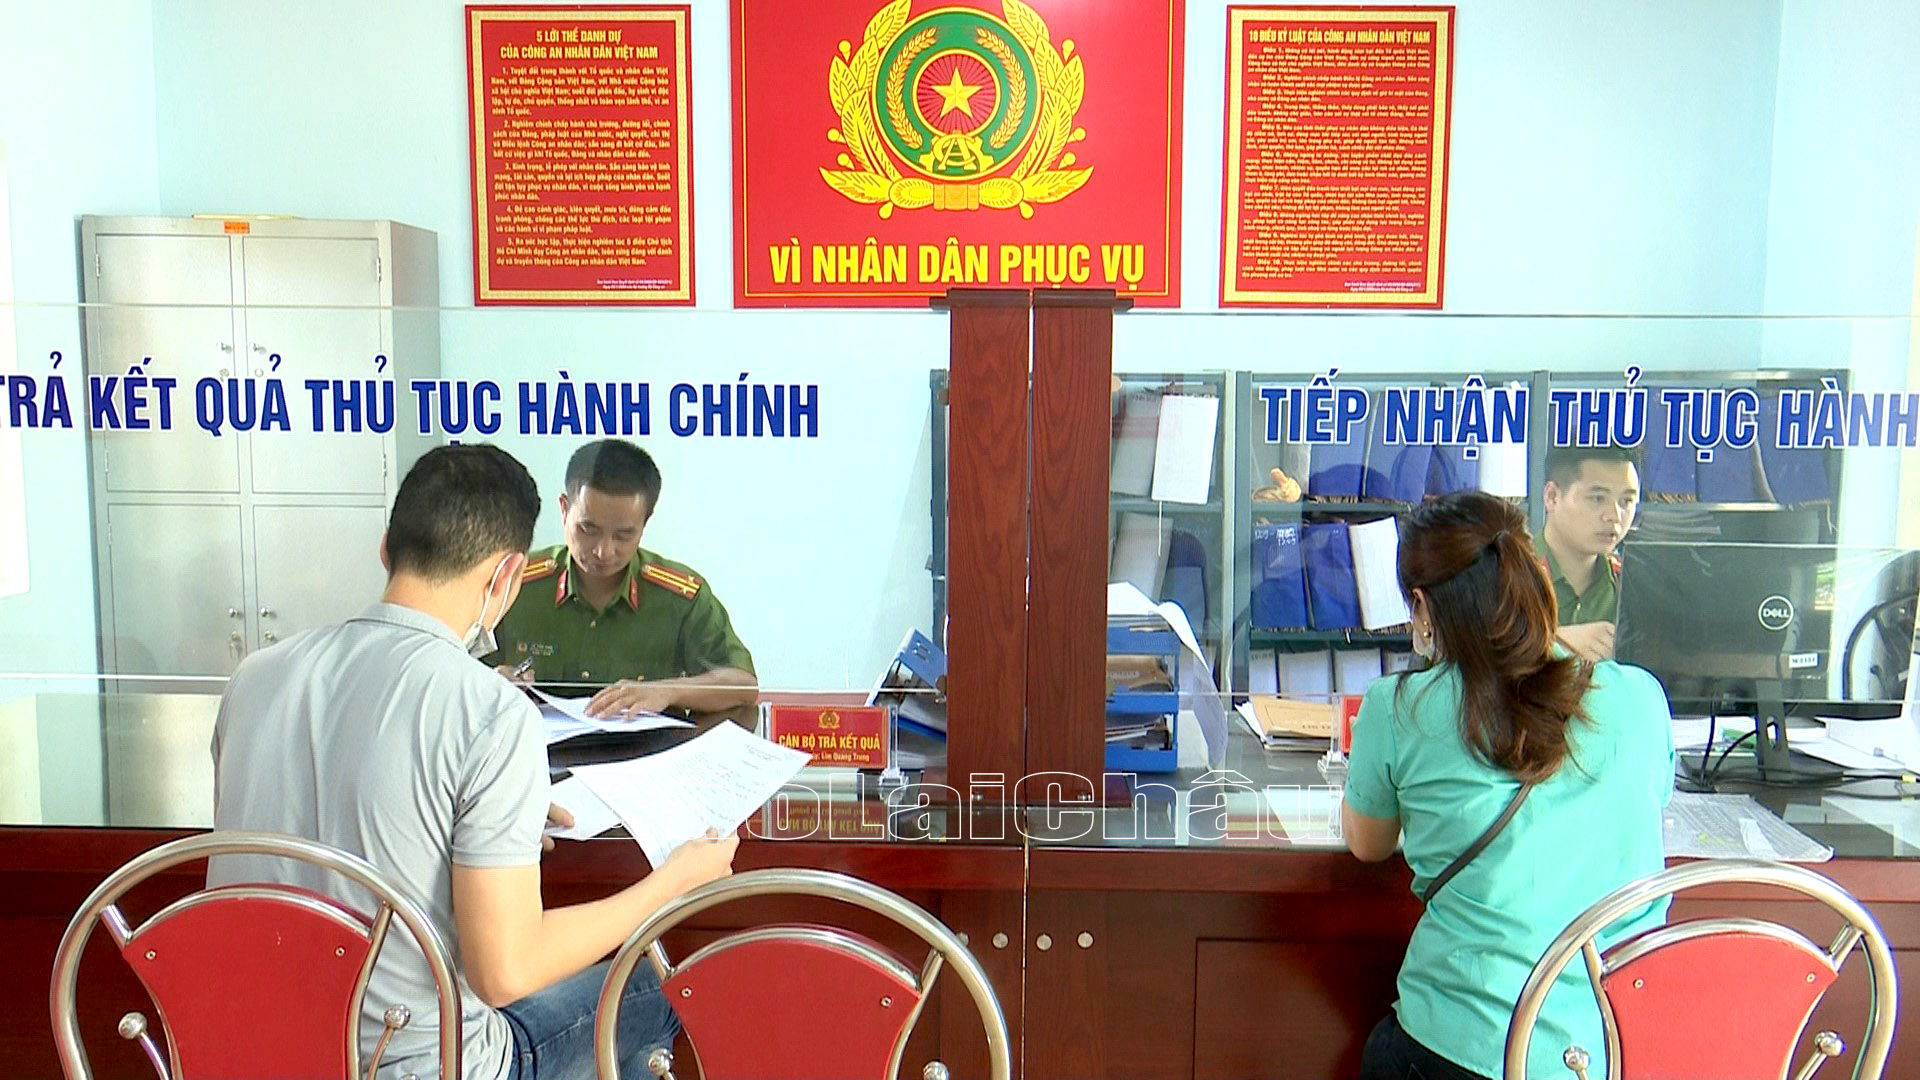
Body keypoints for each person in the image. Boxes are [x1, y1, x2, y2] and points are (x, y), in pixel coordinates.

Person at [209, 444, 738, 1080]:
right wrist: (670, 884)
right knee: (653, 986)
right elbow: (505, 972)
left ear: (386, 550)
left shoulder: (255, 677)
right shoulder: (488, 710)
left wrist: (491, 818)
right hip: (412, 1065)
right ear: (507, 575)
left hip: (252, 1049)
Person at [1343, 491, 1673, 1080]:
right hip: (1612, 1048)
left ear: (1421, 607)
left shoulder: (1397, 707)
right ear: (1531, 574)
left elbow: (1368, 845)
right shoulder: (1640, 697)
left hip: (1465, 1048)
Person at [491, 439, 757, 717]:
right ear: (564, 509)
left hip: (651, 744)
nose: (603, 551)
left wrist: (667, 691)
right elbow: (462, 669)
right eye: (588, 529)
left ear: (644, 523)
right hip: (538, 744)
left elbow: (744, 686)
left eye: (623, 535)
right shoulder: (514, 583)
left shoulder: (679, 597)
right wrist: (490, 681)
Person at [1539, 445, 1641, 661]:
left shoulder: (1633, 583)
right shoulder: (1502, 574)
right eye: (1597, 499)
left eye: (1626, 501)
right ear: (1552, 497)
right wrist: (1551, 642)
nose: (1614, 516)